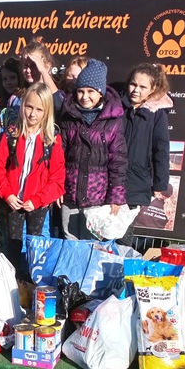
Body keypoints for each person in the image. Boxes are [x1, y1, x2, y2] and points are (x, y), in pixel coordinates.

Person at [0, 82, 65, 276]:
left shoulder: (52, 139)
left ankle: (32, 283)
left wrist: (38, 200)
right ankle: (12, 283)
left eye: (39, 110)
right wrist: (7, 194)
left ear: (47, 111)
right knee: (13, 245)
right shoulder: (12, 134)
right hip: (13, 200)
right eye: (29, 107)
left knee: (35, 245)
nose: (32, 114)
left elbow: (57, 179)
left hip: (37, 202)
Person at [59, 59, 127, 240]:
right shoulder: (68, 117)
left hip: (97, 196)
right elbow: (59, 156)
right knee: (70, 239)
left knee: (93, 243)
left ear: (100, 92)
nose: (84, 96)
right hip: (70, 194)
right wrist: (57, 188)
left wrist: (116, 195)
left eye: (90, 91)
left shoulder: (113, 121)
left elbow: (118, 160)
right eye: (80, 91)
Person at [119, 62, 173, 245]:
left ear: (153, 89)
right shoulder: (117, 106)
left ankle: (120, 263)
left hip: (136, 180)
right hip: (110, 180)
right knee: (102, 233)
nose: (136, 90)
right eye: (133, 84)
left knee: (124, 236)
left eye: (143, 87)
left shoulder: (157, 114)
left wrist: (160, 183)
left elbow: (161, 148)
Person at [20, 37, 64, 119]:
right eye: (26, 65)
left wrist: (43, 71)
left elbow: (59, 106)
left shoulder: (57, 94)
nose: (28, 70)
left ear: (47, 67)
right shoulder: (19, 96)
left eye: (34, 65)